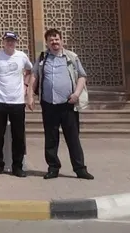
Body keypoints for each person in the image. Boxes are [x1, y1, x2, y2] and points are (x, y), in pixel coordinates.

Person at [34, 27, 93, 180]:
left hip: (68, 104)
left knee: (73, 138)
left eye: (57, 39)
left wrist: (76, 94)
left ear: (61, 40)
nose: (54, 42)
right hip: (48, 104)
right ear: (47, 43)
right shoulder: (42, 58)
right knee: (51, 139)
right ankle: (53, 168)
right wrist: (28, 97)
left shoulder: (71, 57)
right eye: (51, 40)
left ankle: (80, 169)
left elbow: (82, 76)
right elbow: (34, 77)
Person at [0, 31, 34, 176]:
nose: (10, 43)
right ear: (3, 42)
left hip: (17, 102)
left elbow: (30, 70)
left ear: (16, 42)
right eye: (8, 40)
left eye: (13, 41)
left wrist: (26, 86)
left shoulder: (21, 56)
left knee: (18, 136)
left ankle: (18, 166)